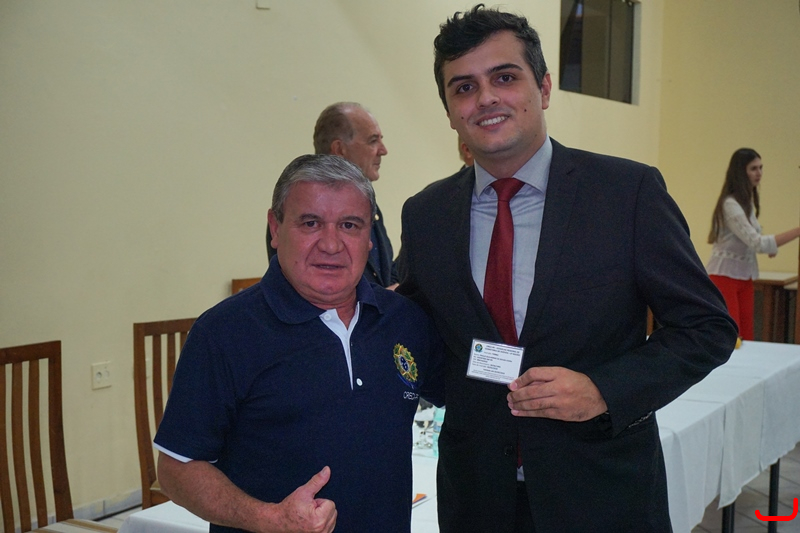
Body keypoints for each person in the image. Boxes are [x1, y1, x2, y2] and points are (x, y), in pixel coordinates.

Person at [396, 5, 738, 532]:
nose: (485, 98)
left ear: (544, 88)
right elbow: (423, 336)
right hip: (477, 497)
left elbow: (707, 328)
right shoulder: (426, 215)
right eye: (463, 87)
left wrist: (604, 389)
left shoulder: (627, 194)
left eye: (504, 77)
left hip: (601, 492)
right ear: (449, 112)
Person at [157, 154, 444, 533]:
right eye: (311, 223)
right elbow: (176, 469)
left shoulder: (404, 320)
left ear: (369, 239)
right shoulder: (224, 332)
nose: (331, 244)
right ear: (275, 228)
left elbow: (464, 398)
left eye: (350, 225)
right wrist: (269, 519)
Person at [266, 102, 399, 289]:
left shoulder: (371, 209)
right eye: (373, 141)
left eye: (349, 225)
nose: (383, 150)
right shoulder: (293, 206)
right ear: (339, 149)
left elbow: (385, 274)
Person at [706, 148, 800, 341]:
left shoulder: (745, 202)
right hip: (724, 277)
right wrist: (796, 231)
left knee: (746, 334)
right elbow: (757, 243)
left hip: (744, 275)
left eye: (761, 168)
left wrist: (770, 246)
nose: (759, 173)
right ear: (741, 172)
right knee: (732, 336)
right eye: (753, 168)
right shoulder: (730, 204)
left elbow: (752, 237)